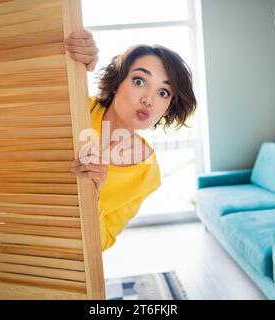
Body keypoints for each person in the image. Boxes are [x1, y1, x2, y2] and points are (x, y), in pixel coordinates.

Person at [64, 31, 197, 252]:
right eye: (139, 81)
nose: (148, 99)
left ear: (167, 109)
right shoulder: (78, 108)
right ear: (117, 82)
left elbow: (101, 242)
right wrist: (70, 54)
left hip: (65, 258)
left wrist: (93, 194)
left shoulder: (147, 174)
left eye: (163, 92)